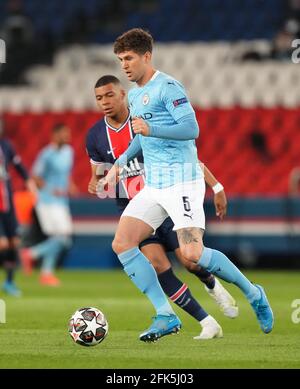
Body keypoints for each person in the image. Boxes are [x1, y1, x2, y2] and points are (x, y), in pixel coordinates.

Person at [98, 28, 274, 342]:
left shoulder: (168, 87)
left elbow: (191, 129)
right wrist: (120, 163)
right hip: (154, 186)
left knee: (192, 254)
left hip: (182, 182)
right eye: (120, 59)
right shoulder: (136, 94)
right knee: (123, 243)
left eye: (129, 58)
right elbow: (140, 135)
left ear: (146, 56)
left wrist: (151, 128)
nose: (123, 65)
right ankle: (165, 314)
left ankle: (253, 293)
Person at [87, 75, 238, 340]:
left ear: (123, 94)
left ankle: (212, 284)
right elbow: (98, 176)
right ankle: (206, 322)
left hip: (166, 201)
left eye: (110, 95)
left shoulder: (144, 120)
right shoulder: (95, 136)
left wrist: (216, 186)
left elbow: (188, 157)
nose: (105, 102)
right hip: (135, 209)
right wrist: (97, 182)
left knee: (189, 260)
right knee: (157, 265)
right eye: (99, 98)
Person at [19, 123, 76, 286]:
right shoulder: (46, 154)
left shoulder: (69, 152)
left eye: (68, 134)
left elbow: (66, 174)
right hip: (46, 201)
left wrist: (69, 185)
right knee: (61, 238)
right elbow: (35, 177)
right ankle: (43, 268)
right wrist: (52, 189)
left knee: (63, 239)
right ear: (55, 135)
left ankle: (32, 256)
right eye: (64, 134)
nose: (67, 137)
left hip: (61, 202)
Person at [0, 118, 35, 296]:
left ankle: (9, 282)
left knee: (13, 242)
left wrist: (29, 182)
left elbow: (19, 166)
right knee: (3, 243)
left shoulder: (6, 145)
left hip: (7, 203)